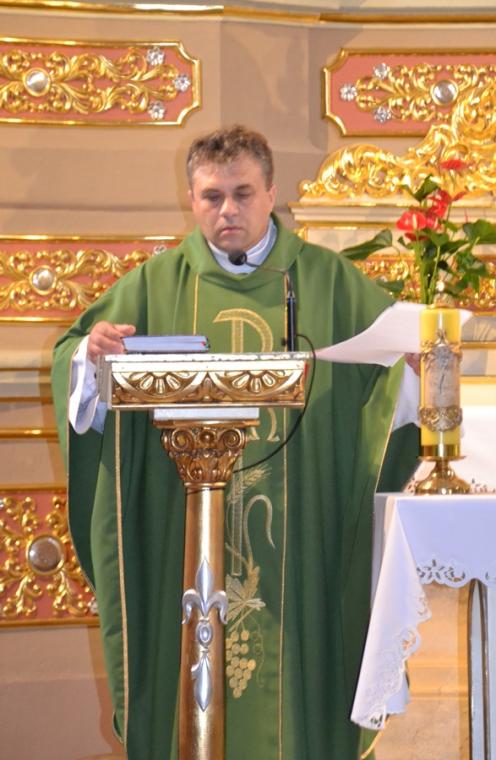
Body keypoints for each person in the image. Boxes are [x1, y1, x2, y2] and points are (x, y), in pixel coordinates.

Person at [51, 125, 418, 760]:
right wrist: (92, 354)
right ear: (191, 199)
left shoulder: (329, 283)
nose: (227, 211)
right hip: (180, 535)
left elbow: (392, 382)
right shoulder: (154, 285)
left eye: (243, 194)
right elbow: (73, 360)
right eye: (211, 196)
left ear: (271, 192)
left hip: (302, 547)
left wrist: (411, 370)